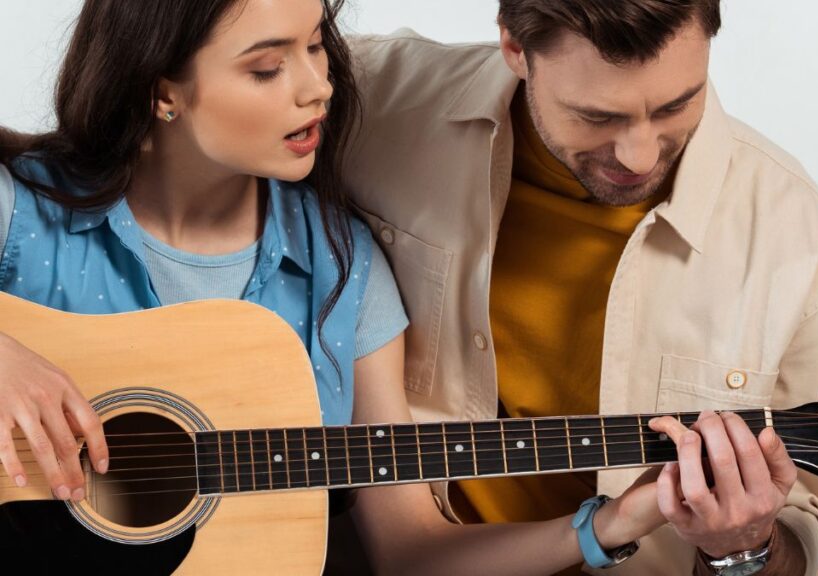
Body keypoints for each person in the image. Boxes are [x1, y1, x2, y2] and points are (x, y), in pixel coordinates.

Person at [0, 1, 717, 574]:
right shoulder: (22, 215)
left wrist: (610, 526)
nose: (317, 86)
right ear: (163, 91)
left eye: (316, 45)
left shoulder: (343, 271)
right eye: (266, 68)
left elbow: (409, 552)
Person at [339, 1, 818, 574]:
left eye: (676, 105)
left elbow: (800, 522)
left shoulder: (796, 237)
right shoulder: (366, 98)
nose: (640, 155)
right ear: (514, 48)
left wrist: (743, 546)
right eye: (597, 117)